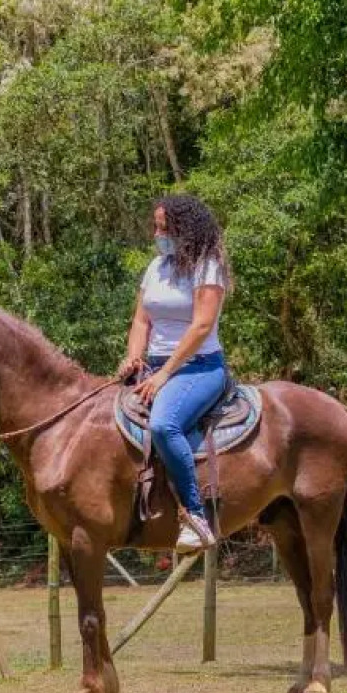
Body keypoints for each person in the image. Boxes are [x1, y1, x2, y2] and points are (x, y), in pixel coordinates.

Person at [118, 193, 232, 552]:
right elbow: (141, 319)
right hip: (153, 365)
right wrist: (134, 357)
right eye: (155, 227)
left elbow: (200, 327)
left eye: (163, 228)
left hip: (199, 367)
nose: (156, 234)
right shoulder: (156, 267)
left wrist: (163, 374)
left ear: (185, 229)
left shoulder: (207, 266)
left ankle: (196, 516)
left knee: (164, 426)